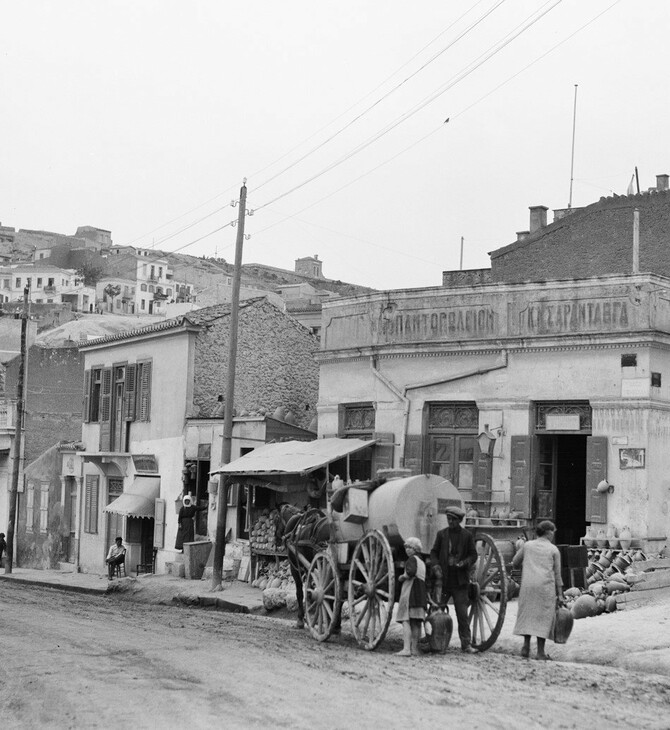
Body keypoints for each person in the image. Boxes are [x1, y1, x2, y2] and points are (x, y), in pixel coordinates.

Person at [512, 519, 563, 660]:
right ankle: (540, 652)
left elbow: (515, 562)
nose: (553, 535)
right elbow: (557, 575)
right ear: (548, 533)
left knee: (528, 614)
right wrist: (561, 595)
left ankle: (525, 647)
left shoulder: (527, 546)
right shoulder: (553, 550)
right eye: (553, 532)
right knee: (543, 618)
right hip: (545, 587)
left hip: (528, 585)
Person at [430, 505, 478, 653]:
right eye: (448, 519)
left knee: (462, 615)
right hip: (443, 580)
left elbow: (473, 555)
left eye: (453, 520)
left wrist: (465, 563)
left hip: (460, 582)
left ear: (459, 520)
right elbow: (434, 552)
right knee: (436, 611)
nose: (450, 522)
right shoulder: (441, 535)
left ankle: (466, 644)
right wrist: (436, 566)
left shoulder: (467, 536)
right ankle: (433, 641)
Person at [395, 536, 427, 657]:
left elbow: (410, 572)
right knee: (416, 623)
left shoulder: (412, 560)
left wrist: (402, 577)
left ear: (415, 550)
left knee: (406, 620)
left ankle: (406, 649)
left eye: (410, 547)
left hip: (411, 593)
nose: (407, 550)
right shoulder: (422, 563)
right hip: (420, 594)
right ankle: (414, 648)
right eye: (406, 547)